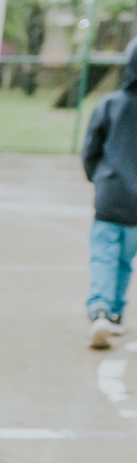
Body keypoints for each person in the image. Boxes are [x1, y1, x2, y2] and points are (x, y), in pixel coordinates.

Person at [81, 39, 137, 350]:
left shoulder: (111, 104)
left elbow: (91, 150)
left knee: (104, 253)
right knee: (126, 259)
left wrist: (97, 179)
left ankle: (100, 309)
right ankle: (115, 313)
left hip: (111, 193)